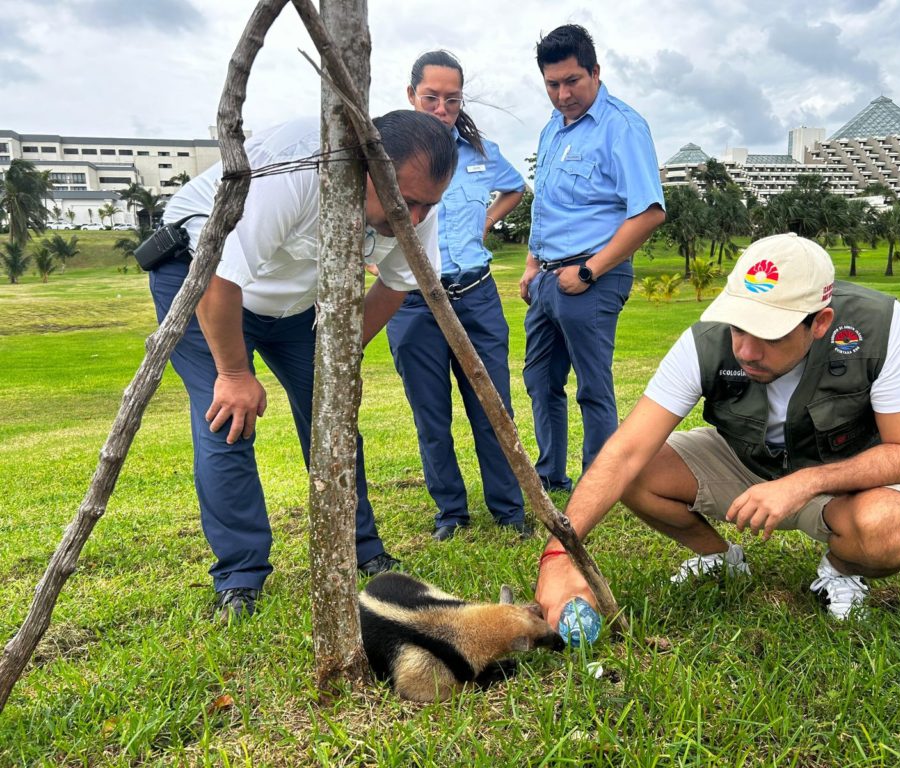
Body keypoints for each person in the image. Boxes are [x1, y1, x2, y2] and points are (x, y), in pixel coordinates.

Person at [535, 233, 900, 621]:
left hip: (845, 483)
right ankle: (720, 558)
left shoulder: (881, 326)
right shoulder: (705, 341)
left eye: (769, 333)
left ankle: (840, 570)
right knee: (633, 469)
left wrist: (804, 483)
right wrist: (559, 554)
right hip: (746, 463)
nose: (745, 350)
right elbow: (625, 451)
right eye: (738, 326)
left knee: (891, 528)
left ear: (820, 323)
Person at [149, 111, 458, 620]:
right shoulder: (295, 164)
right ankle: (240, 575)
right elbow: (221, 277)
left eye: (430, 205)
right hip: (201, 279)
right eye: (409, 201)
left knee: (332, 416)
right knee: (227, 418)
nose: (419, 218)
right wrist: (233, 375)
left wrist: (340, 355)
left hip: (293, 302)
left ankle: (361, 546)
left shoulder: (415, 205)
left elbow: (398, 282)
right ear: (367, 167)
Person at [386, 51, 529, 542]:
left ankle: (510, 510)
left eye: (452, 99)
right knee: (432, 416)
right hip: (412, 302)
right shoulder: (387, 156)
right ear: (412, 96)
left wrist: (485, 224)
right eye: (431, 98)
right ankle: (451, 513)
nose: (441, 108)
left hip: (476, 297)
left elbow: (515, 188)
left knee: (494, 409)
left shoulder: (480, 153)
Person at [518, 24, 665, 493]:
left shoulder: (622, 126)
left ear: (596, 72)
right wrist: (530, 266)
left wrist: (588, 271)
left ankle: (597, 487)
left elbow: (649, 212)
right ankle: (550, 477)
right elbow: (547, 205)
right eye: (552, 85)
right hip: (546, 278)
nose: (563, 94)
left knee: (592, 388)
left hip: (591, 276)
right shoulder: (552, 130)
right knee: (540, 382)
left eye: (572, 81)